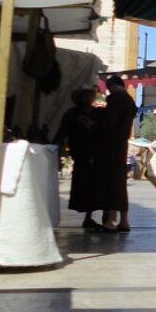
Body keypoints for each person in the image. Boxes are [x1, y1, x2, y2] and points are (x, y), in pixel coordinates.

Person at [54, 88, 102, 230]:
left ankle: (89, 217)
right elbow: (62, 131)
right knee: (83, 185)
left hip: (94, 155)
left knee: (92, 186)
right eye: (84, 95)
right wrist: (58, 146)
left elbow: (102, 130)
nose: (87, 98)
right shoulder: (72, 114)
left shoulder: (96, 113)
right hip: (80, 155)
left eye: (89, 95)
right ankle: (87, 216)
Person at [93, 75, 136, 232]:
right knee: (120, 182)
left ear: (112, 86)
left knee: (111, 182)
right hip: (121, 145)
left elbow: (109, 122)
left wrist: (94, 124)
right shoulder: (129, 100)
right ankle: (123, 221)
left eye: (109, 87)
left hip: (111, 145)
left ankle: (110, 220)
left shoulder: (116, 99)